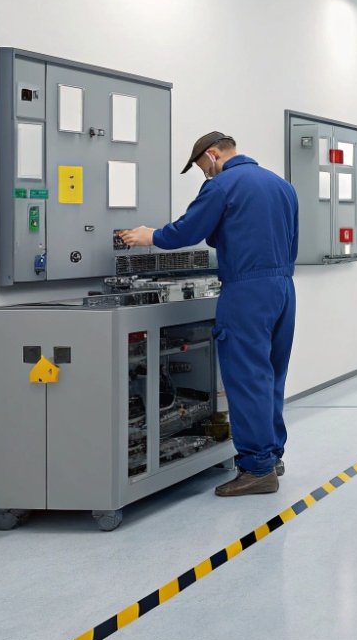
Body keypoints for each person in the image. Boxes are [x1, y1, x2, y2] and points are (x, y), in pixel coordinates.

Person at [117, 132, 299, 498]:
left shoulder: (222, 185)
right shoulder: (281, 186)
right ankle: (271, 454)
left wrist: (148, 235)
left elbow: (189, 230)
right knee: (270, 376)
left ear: (214, 155)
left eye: (203, 168)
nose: (206, 175)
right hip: (283, 289)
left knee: (246, 378)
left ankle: (257, 469)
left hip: (246, 292)